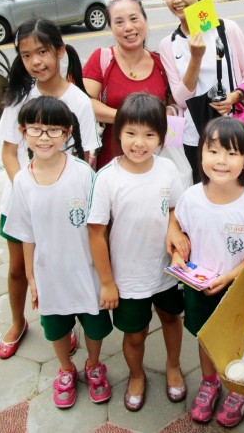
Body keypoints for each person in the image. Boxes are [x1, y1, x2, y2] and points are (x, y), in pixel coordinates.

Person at [0, 18, 100, 360]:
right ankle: (17, 322)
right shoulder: (19, 98)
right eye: (26, 56)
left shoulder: (79, 100)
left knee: (67, 264)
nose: (36, 61)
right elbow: (9, 153)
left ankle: (66, 323)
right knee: (18, 268)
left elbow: (89, 156)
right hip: (24, 200)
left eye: (42, 52)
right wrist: (29, 192)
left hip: (69, 203)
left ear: (59, 51)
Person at [4, 96, 112, 409]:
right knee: (56, 326)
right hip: (49, 272)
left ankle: (93, 364)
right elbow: (25, 235)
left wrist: (106, 275)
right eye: (35, 129)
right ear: (23, 132)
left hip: (86, 269)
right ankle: (66, 368)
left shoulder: (82, 174)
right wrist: (31, 277)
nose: (44, 137)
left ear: (67, 133)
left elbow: (99, 226)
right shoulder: (22, 182)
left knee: (94, 323)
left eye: (53, 130)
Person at [88, 93, 189, 412]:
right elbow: (96, 232)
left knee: (172, 318)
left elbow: (176, 209)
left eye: (150, 134)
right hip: (128, 277)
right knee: (134, 334)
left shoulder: (168, 170)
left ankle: (173, 366)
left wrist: (174, 229)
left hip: (166, 271)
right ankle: (136, 374)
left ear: (161, 136)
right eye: (131, 133)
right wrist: (107, 282)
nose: (140, 142)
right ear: (118, 133)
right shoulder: (107, 178)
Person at [170, 117, 244, 427]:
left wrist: (228, 277)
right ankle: (210, 382)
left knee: (240, 339)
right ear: (200, 154)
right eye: (213, 151)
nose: (221, 160)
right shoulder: (190, 198)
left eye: (232, 152)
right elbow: (179, 236)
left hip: (237, 288)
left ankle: (239, 387)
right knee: (205, 336)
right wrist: (176, 257)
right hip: (198, 288)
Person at [159, 0, 244, 183]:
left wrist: (235, 96)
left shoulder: (227, 29)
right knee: (200, 191)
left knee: (234, 187)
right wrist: (195, 58)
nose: (177, 1)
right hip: (193, 136)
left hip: (231, 127)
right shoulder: (169, 44)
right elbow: (182, 99)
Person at [83, 0, 170, 170]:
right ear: (111, 27)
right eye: (119, 22)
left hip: (154, 164)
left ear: (145, 20)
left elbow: (173, 105)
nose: (128, 27)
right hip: (111, 162)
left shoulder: (161, 63)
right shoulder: (102, 59)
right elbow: (85, 103)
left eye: (134, 18)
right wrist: (129, 118)